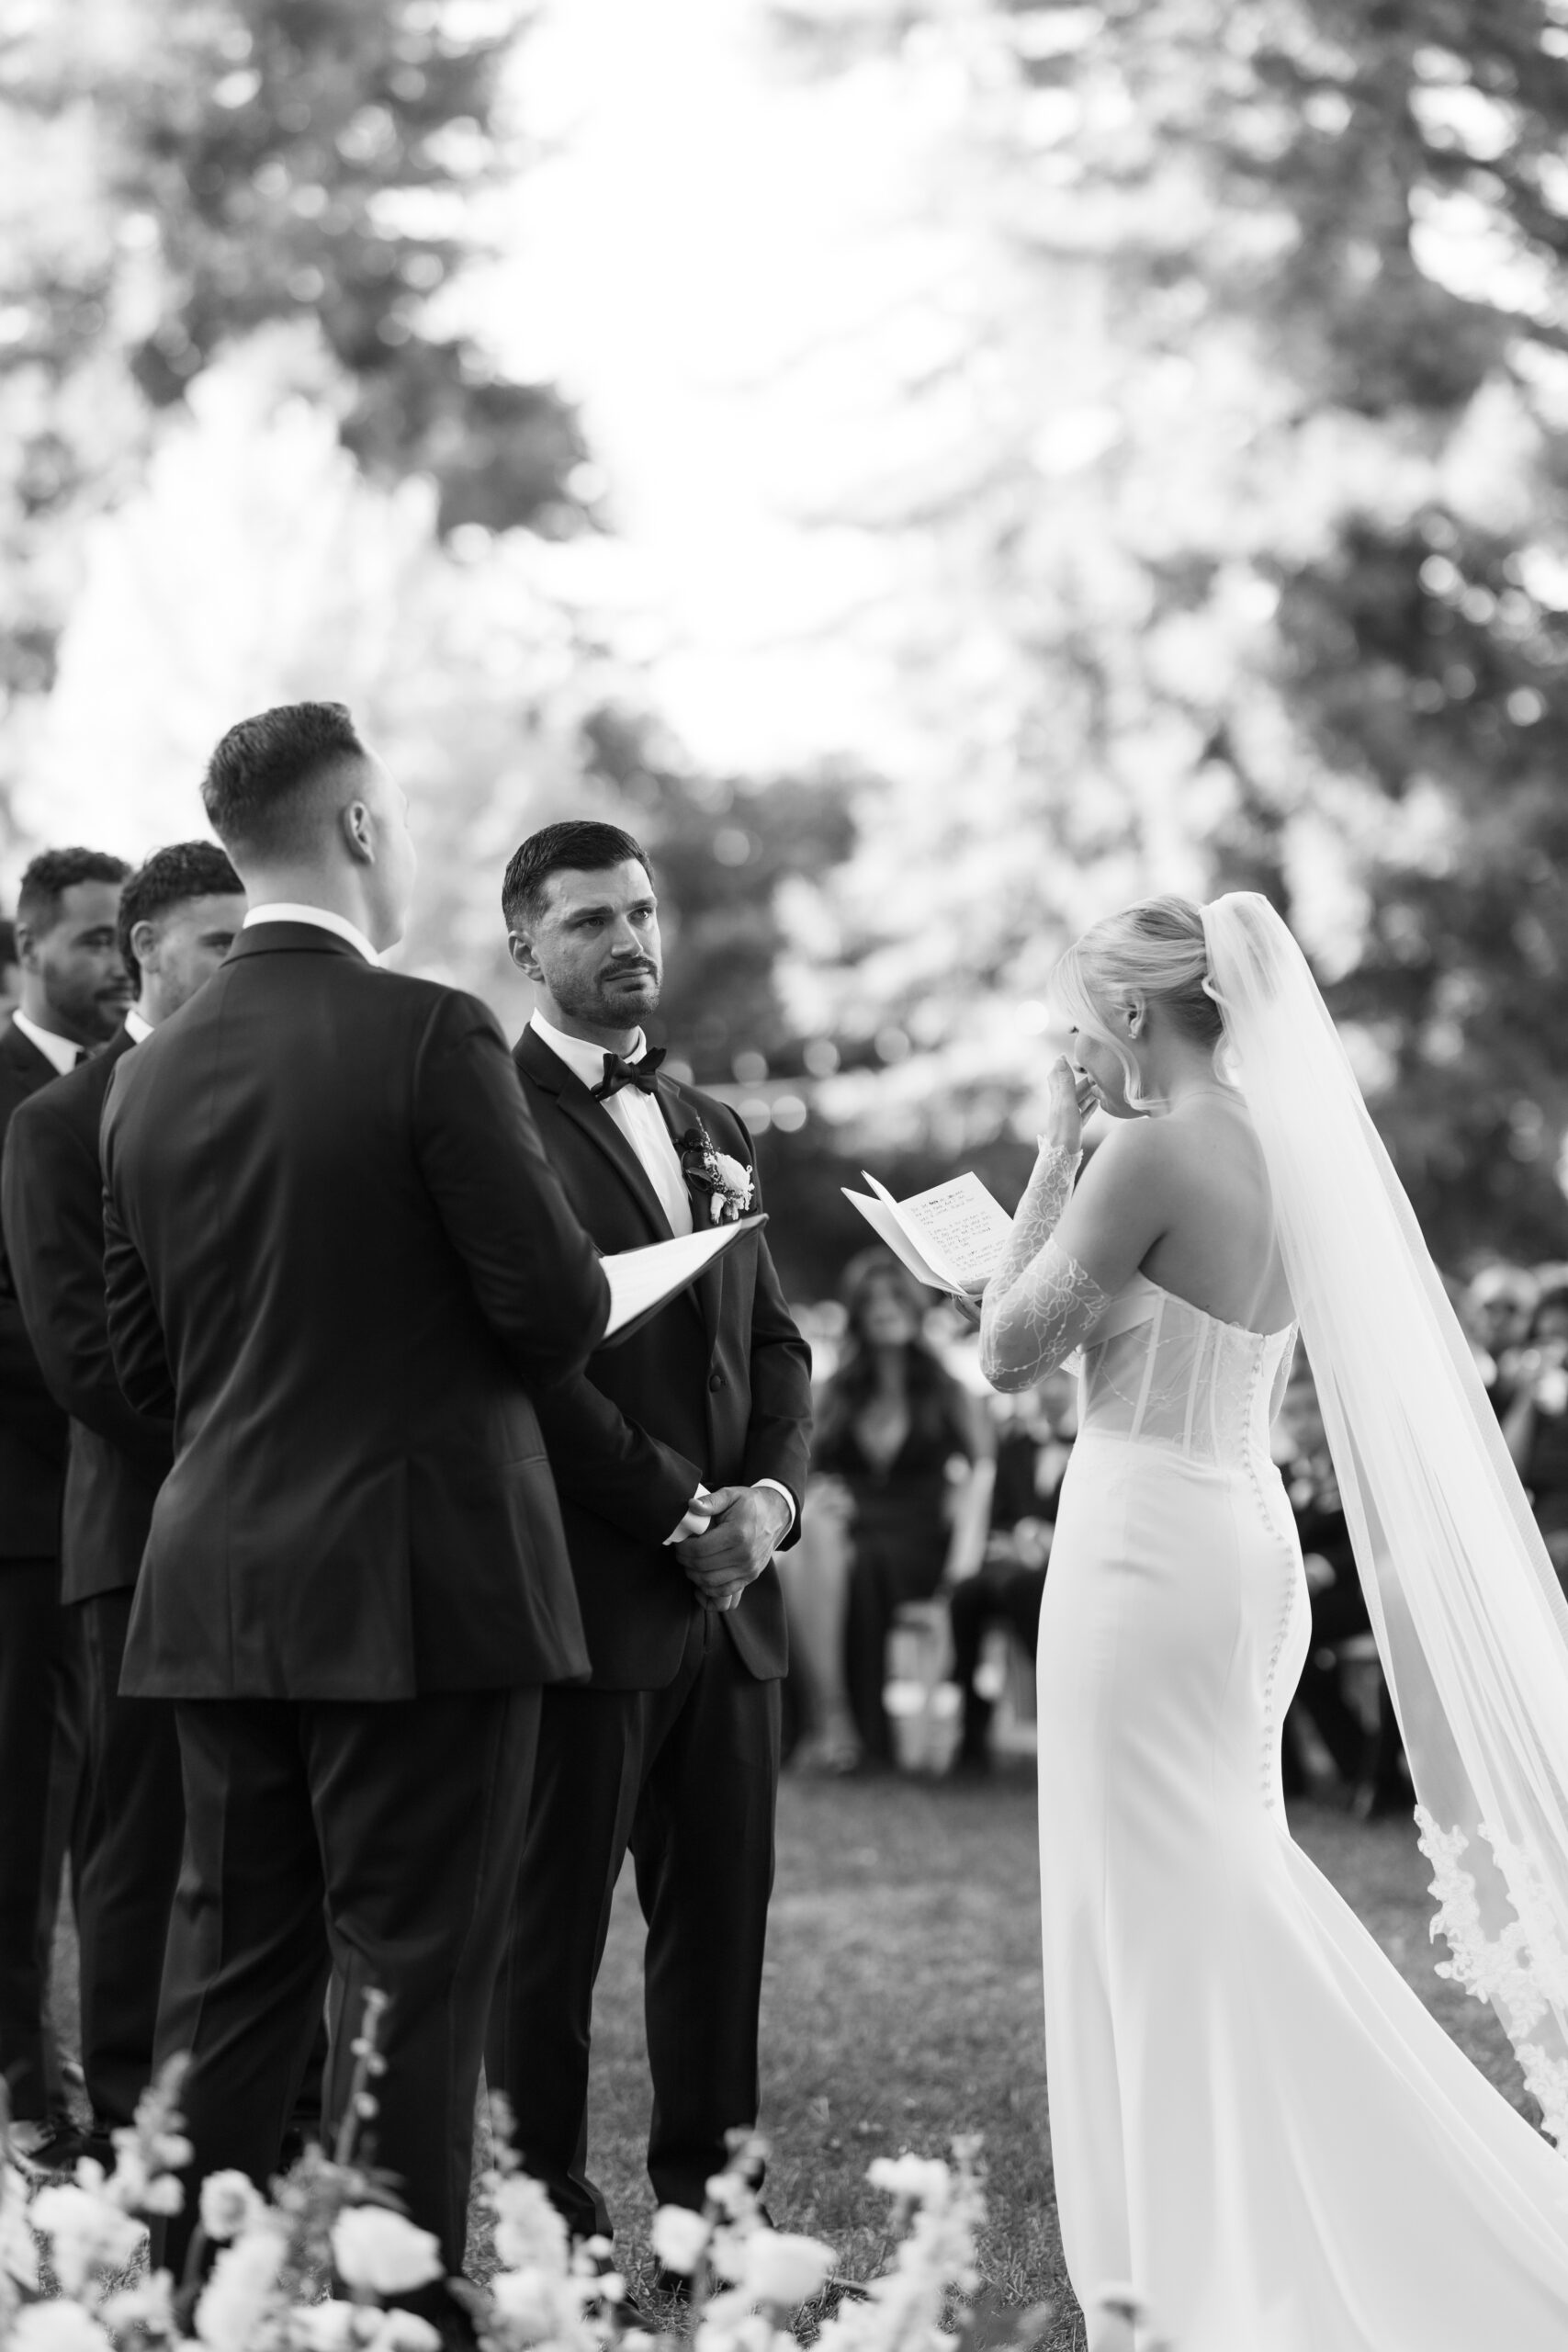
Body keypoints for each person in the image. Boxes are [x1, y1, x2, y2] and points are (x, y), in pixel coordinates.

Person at [976, 893, 1568, 2349]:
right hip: (1236, 1538)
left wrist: (1050, 1149)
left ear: (1128, 1015)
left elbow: (1004, 1349)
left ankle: (1212, 2241)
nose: (1072, 1045)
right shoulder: (1288, 1149)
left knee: (1157, 1903)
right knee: (1214, 1879)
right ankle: (1233, 2211)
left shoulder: (1141, 1147)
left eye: (1076, 1017)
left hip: (1141, 1554)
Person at [99, 706, 612, 2293]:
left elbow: (138, 1367)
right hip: (420, 1585)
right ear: (365, 829)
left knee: (232, 1972)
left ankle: (201, 2303)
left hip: (217, 1582)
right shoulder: (430, 1033)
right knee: (409, 1975)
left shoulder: (146, 1077)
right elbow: (553, 1309)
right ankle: (396, 2320)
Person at [485, 819, 811, 2251]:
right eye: (587, 923)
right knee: (547, 1940)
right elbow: (520, 1367)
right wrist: (678, 1510)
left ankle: (710, 2215)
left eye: (638, 914)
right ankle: (548, 2216)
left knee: (717, 1932)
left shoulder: (715, 1128)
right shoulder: (483, 1120)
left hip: (730, 1608)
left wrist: (767, 1507)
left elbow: (779, 1348)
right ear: (522, 947)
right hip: (582, 1589)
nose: (628, 943)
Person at [3, 843, 246, 2165]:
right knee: (114, 1840)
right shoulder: (52, 1121)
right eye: (216, 943)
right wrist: (263, 1441)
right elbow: (80, 1353)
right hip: (109, 1519)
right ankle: (95, 2117)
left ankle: (277, 2104)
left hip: (271, 1523)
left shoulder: (278, 1090)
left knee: (270, 1841)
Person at [0, 845, 130, 2163]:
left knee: (120, 1818)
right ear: (27, 947)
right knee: (25, 1819)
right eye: (91, 940)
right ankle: (27, 2096)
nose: (115, 965)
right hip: (28, 1511)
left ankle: (99, 2064)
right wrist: (114, 1398)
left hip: (142, 1519)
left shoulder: (152, 1087)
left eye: (124, 941)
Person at [810, 1252, 987, 1771]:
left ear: (914, 1306)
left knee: (832, 1557)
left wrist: (963, 1564)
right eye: (870, 1301)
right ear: (856, 1313)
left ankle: (838, 1727)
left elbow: (983, 1472)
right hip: (853, 1531)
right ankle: (834, 1718)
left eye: (894, 1297)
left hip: (920, 1540)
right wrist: (818, 1493)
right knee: (813, 1540)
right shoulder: (835, 1392)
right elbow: (803, 1469)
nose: (883, 1309)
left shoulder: (949, 1391)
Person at [946, 1367, 1075, 1777]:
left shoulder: (1093, 1447)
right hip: (1011, 1567)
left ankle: (1059, 1722)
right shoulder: (1014, 1446)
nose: (1053, 1390)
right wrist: (1017, 1542)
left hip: (1065, 1572)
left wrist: (1043, 1542)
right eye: (1047, 1380)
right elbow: (999, 1521)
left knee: (1024, 1591)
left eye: (1063, 1381)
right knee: (965, 1595)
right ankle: (972, 1730)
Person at [1503, 1280, 1568, 1586]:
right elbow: (1508, 1471)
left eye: (1562, 1337)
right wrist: (1527, 1397)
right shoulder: (1539, 1402)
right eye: (1544, 1339)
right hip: (1538, 1536)